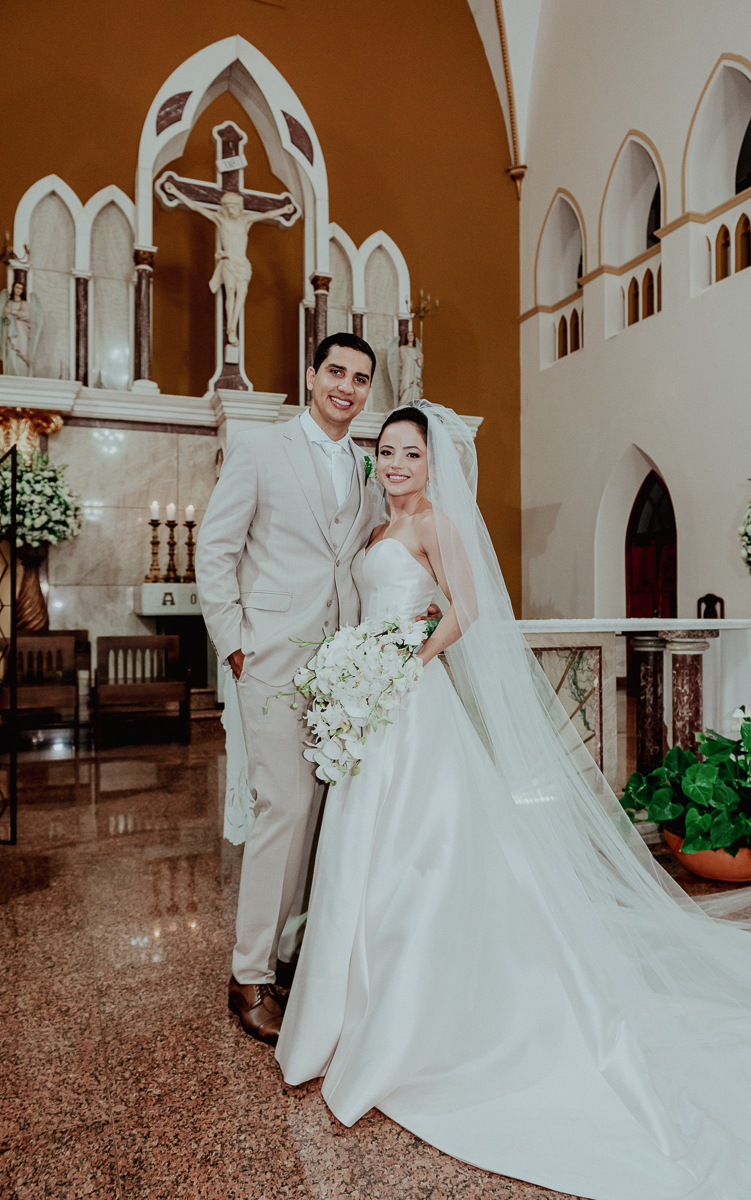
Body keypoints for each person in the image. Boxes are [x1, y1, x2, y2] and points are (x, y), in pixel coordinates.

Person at [276, 400, 751, 1200]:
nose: (397, 464)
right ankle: (348, 1008)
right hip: (370, 703)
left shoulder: (436, 525)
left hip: (409, 700)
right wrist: (359, 662)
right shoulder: (378, 528)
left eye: (411, 453)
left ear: (432, 462)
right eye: (388, 451)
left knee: (421, 846)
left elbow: (469, 607)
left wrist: (409, 659)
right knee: (362, 843)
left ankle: (414, 1014)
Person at [196, 333, 436, 1046]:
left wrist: (406, 616)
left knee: (326, 815)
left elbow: (371, 556)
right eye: (336, 371)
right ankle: (248, 976)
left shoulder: (368, 468)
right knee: (283, 810)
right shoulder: (260, 450)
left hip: (344, 672)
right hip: (271, 661)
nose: (347, 387)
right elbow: (216, 548)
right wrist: (235, 644)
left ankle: (292, 956)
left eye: (360, 378)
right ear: (311, 375)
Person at [162, 181, 296, 344]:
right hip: (228, 260)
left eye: (234, 207)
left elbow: (267, 215)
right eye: (228, 207)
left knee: (242, 293)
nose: (231, 210)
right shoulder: (220, 219)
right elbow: (196, 207)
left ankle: (233, 325)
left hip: (242, 262)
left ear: (239, 207)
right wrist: (175, 192)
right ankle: (231, 330)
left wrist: (284, 210)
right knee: (230, 291)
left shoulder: (246, 219)